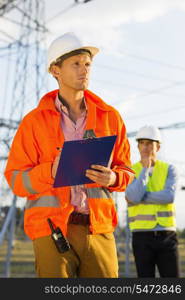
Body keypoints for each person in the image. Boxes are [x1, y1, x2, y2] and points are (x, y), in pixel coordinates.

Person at [4, 32, 134, 278]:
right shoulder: (33, 122)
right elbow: (16, 179)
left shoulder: (110, 117)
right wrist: (49, 172)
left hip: (98, 229)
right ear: (55, 70)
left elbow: (126, 169)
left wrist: (114, 179)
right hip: (52, 230)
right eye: (76, 64)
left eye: (87, 64)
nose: (84, 70)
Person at [125, 125, 180, 278]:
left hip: (166, 234)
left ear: (158, 146)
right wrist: (144, 171)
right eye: (142, 143)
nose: (145, 147)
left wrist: (140, 197)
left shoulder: (169, 169)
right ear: (137, 146)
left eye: (149, 143)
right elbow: (133, 197)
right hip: (141, 236)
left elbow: (169, 196)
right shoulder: (130, 170)